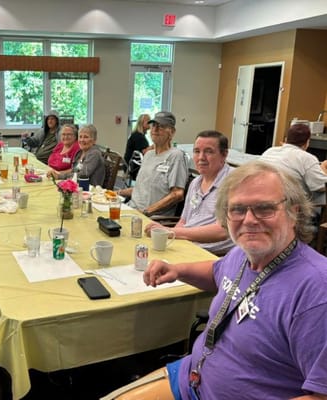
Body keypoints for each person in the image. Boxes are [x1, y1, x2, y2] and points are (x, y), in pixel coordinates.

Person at [108, 161, 327, 400]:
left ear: (294, 212)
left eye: (265, 208)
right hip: (191, 377)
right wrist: (178, 270)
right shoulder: (242, 254)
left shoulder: (316, 291)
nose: (250, 220)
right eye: (238, 209)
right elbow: (218, 272)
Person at [145, 130, 234, 255]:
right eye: (197, 151)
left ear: (224, 155)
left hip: (209, 255)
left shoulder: (234, 183)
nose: (201, 157)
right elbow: (183, 221)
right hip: (185, 244)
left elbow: (221, 231)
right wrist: (169, 240)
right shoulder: (195, 183)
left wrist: (169, 232)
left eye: (208, 151)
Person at [118, 111, 188, 217]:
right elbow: (141, 189)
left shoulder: (176, 156)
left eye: (161, 126)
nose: (155, 129)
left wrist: (146, 211)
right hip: (131, 209)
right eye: (154, 125)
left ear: (172, 132)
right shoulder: (148, 155)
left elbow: (177, 194)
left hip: (151, 218)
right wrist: (117, 193)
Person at [260, 123, 327, 205]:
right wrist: (323, 167)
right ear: (307, 142)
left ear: (286, 139)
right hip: (290, 205)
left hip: (265, 196)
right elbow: (321, 187)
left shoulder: (270, 151)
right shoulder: (307, 158)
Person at [124, 113, 152, 181]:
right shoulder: (139, 137)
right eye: (148, 121)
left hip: (129, 164)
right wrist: (155, 146)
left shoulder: (135, 134)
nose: (150, 123)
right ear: (142, 123)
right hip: (134, 167)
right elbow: (145, 152)